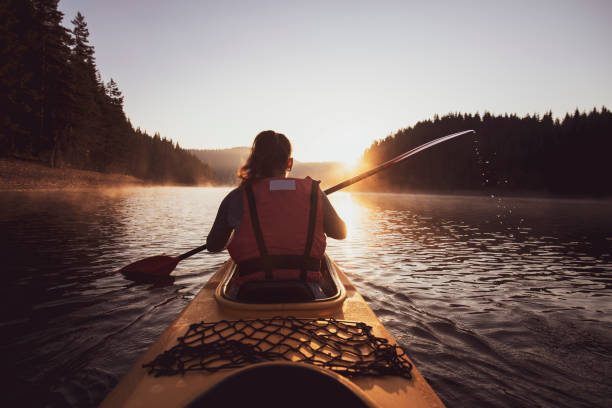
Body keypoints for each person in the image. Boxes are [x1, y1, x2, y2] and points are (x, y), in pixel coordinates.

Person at [207, 130, 346, 299]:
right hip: (307, 294)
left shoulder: (236, 197)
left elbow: (213, 245)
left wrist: (237, 232)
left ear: (255, 161)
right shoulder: (314, 193)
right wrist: (317, 201)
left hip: (249, 296)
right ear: (290, 163)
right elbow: (340, 233)